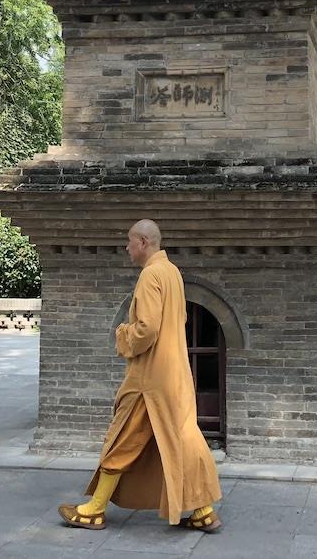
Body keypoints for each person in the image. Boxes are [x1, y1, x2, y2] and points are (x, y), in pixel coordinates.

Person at [58, 219, 223, 532]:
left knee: (122, 438)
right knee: (181, 439)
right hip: (174, 374)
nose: (126, 248)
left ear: (143, 242)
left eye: (129, 242)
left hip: (149, 379)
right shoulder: (172, 272)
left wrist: (123, 334)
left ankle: (94, 509)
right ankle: (203, 510)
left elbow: (146, 330)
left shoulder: (150, 275)